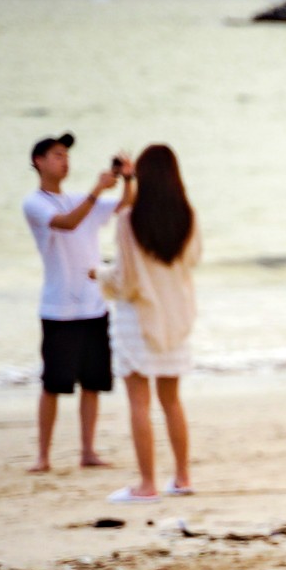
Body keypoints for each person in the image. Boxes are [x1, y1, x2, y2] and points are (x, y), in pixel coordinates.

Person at [96, 144, 201, 503]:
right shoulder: (188, 216)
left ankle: (146, 484)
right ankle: (183, 477)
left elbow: (124, 280)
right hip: (174, 317)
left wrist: (99, 274)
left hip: (137, 319)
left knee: (139, 402)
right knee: (171, 400)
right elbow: (193, 259)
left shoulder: (129, 220)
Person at [22, 132, 119, 472]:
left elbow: (126, 204)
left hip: (93, 304)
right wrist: (97, 190)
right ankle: (43, 456)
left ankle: (88, 451)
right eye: (57, 155)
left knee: (92, 383)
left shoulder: (81, 199)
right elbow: (67, 223)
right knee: (53, 385)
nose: (64, 160)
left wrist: (128, 177)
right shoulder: (35, 203)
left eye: (66, 155)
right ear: (39, 161)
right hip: (58, 308)